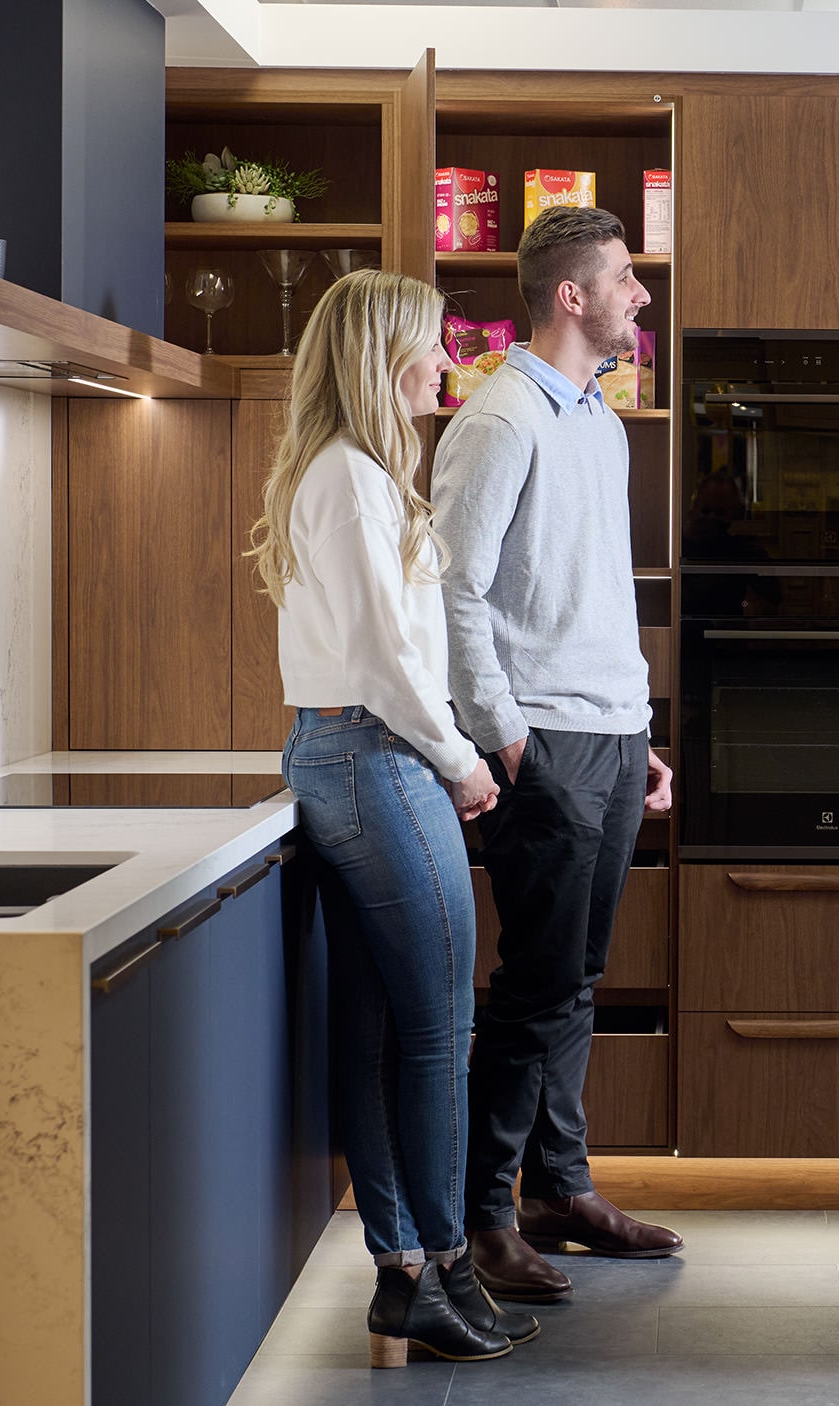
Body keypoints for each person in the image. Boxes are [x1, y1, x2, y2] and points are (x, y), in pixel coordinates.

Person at [250, 268, 541, 1367]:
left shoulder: (353, 473)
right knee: (437, 1035)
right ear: (379, 358)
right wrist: (464, 761)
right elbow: (384, 660)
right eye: (431, 344)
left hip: (353, 754)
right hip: (377, 758)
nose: (446, 362)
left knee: (381, 1036)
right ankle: (443, 1262)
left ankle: (408, 1274)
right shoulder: (352, 479)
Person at [433, 206, 681, 1304]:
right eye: (625, 279)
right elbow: (454, 589)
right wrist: (505, 730)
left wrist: (638, 727)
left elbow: (594, 597)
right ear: (570, 296)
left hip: (609, 734)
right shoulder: (500, 418)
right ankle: (486, 1215)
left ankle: (558, 1187)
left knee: (574, 978)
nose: (641, 295)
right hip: (544, 739)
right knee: (535, 985)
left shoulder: (599, 420)